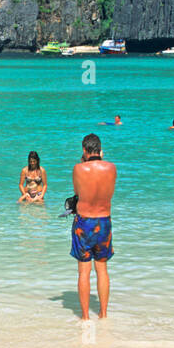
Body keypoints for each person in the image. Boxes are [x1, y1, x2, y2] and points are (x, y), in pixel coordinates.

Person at [71, 134, 116, 320]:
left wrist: (83, 162)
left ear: (84, 150)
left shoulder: (78, 169)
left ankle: (84, 317)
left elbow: (77, 192)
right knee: (102, 270)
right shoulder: (112, 168)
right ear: (100, 150)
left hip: (84, 223)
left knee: (84, 271)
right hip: (104, 222)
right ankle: (103, 314)